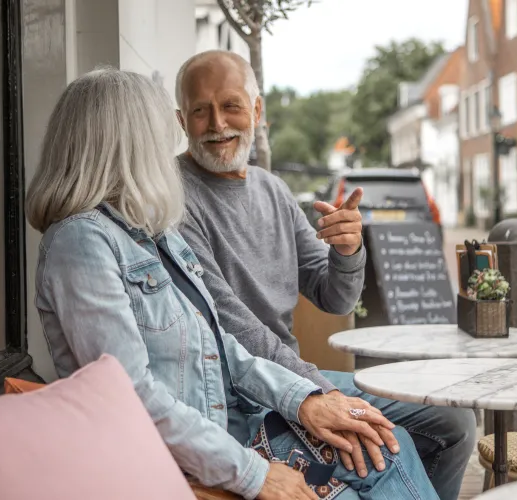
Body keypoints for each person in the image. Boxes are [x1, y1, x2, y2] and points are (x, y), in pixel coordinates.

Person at [25, 68, 439, 500]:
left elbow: (225, 345)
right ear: (126, 144)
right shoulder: (81, 243)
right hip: (192, 459)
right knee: (378, 455)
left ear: (256, 111)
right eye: (165, 130)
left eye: (230, 107)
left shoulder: (150, 230)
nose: (170, 147)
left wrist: (305, 399)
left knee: (381, 445)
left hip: (237, 422)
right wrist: (257, 475)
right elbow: (131, 396)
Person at [175, 50, 477, 500]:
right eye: (201, 110)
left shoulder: (273, 190)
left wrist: (349, 250)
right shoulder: (175, 199)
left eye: (231, 106)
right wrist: (315, 393)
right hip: (245, 393)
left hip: (296, 374)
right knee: (383, 446)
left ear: (257, 111)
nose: (218, 123)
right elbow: (231, 327)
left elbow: (335, 297)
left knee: (455, 421)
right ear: (182, 120)